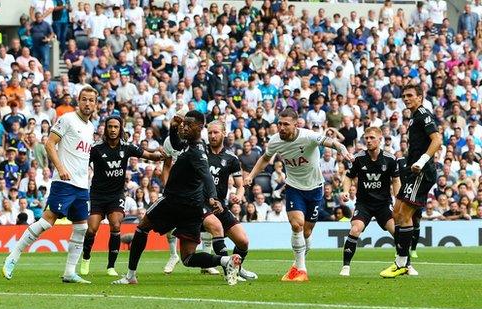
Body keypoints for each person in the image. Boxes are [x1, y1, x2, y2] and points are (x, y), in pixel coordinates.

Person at [112, 111, 242, 285]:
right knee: (188, 258)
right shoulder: (195, 144)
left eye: (188, 125)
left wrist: (212, 197)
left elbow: (206, 175)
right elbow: (175, 143)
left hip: (172, 201)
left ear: (199, 127)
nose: (184, 127)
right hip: (193, 208)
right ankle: (224, 261)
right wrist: (173, 129)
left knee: (141, 228)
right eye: (184, 124)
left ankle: (130, 276)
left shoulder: (197, 152)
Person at [2, 86, 98, 283]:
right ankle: (13, 256)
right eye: (84, 99)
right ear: (78, 101)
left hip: (81, 185)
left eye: (91, 100)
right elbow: (49, 143)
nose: (88, 103)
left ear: (95, 104)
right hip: (64, 182)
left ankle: (70, 272)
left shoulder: (91, 127)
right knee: (47, 221)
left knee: (81, 228)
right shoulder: (68, 119)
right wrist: (60, 167)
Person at [245, 107, 353, 282]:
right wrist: (251, 175)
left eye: (286, 124)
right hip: (294, 187)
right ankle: (302, 269)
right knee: (297, 225)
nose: (281, 127)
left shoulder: (308, 136)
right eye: (279, 123)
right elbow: (265, 159)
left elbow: (331, 142)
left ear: (295, 124)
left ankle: (297, 264)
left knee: (307, 232)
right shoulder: (275, 141)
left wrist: (342, 149)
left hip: (315, 188)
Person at [161, 120, 257, 281]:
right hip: (198, 204)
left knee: (243, 241)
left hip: (219, 206)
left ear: (224, 133)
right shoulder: (199, 151)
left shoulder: (231, 158)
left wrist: (239, 196)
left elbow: (240, 186)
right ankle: (229, 271)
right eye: (210, 132)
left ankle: (237, 268)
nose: (212, 136)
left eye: (216, 132)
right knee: (215, 228)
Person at [80, 116, 164, 277]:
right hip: (97, 195)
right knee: (91, 229)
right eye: (110, 127)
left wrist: (162, 155)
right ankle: (86, 257)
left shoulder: (126, 147)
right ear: (106, 129)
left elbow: (148, 155)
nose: (112, 130)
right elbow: (81, 162)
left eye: (115, 127)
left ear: (121, 129)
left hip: (116, 195)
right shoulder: (96, 149)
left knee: (116, 226)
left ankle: (111, 266)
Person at [380, 84, 441, 278]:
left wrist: (422, 160)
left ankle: (401, 264)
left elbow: (437, 140)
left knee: (404, 214)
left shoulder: (423, 114)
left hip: (422, 171)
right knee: (397, 212)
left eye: (410, 96)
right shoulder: (414, 117)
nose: (406, 99)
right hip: (412, 170)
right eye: (404, 96)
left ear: (420, 97)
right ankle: (405, 262)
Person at [339, 127, 408, 276]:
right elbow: (349, 176)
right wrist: (345, 190)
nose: (368, 141)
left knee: (397, 232)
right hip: (364, 204)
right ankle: (346, 266)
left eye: (371, 138)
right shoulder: (359, 158)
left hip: (383, 204)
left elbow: (396, 180)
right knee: (355, 229)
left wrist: (398, 200)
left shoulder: (390, 159)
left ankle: (406, 264)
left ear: (380, 139)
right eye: (366, 138)